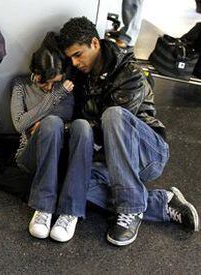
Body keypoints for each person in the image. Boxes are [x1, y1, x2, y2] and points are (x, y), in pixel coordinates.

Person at [55, 16, 199, 246]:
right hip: (110, 159)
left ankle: (130, 207)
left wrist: (71, 129)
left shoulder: (129, 72)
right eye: (70, 57)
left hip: (148, 153)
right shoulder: (82, 76)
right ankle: (161, 202)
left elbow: (109, 129)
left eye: (77, 55)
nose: (74, 63)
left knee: (113, 115)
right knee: (74, 184)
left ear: (94, 43)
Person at [10, 35, 76, 242]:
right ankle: (43, 207)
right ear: (35, 74)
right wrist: (54, 98)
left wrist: (42, 124)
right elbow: (20, 124)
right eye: (46, 82)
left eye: (55, 83)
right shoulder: (20, 85)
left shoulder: (66, 88)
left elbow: (66, 122)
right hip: (28, 154)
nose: (50, 88)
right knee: (51, 123)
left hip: (58, 154)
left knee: (52, 124)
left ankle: (50, 211)